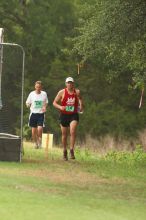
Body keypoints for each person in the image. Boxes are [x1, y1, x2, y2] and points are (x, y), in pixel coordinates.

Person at [53, 77, 83, 160]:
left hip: (73, 114)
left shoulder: (77, 92)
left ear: (73, 84)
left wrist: (81, 106)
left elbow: (80, 99)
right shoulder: (62, 92)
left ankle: (71, 150)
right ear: (66, 84)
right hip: (64, 115)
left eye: (71, 83)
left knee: (72, 131)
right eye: (68, 83)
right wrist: (60, 107)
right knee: (64, 135)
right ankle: (64, 151)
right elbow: (54, 103)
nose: (70, 84)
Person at [26, 81, 48, 148]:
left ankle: (39, 141)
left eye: (39, 87)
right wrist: (28, 104)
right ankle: (35, 143)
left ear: (41, 87)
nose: (38, 88)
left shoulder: (44, 94)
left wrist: (44, 107)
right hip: (33, 114)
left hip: (41, 114)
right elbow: (27, 103)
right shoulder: (31, 94)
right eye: (37, 87)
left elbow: (46, 102)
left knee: (40, 128)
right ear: (35, 87)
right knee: (33, 132)